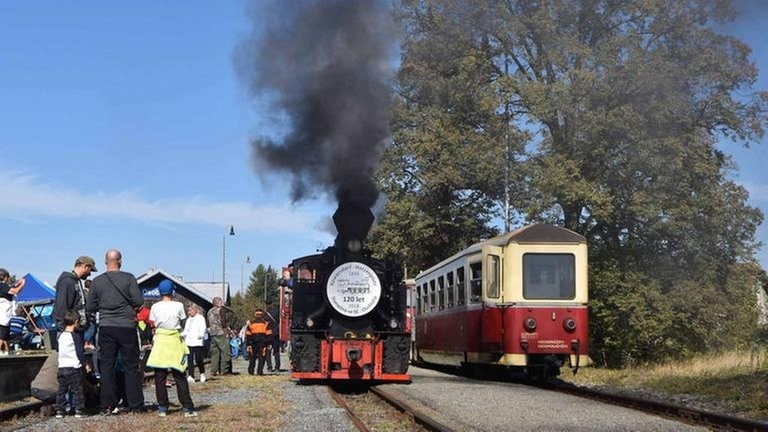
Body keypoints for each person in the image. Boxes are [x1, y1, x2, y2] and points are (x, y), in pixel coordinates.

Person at [87, 249, 144, 414]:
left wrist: (104, 306)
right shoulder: (129, 278)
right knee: (131, 366)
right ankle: (135, 404)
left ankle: (107, 404)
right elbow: (139, 301)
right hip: (126, 326)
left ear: (105, 262)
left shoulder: (97, 282)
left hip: (106, 326)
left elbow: (90, 307)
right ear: (120, 261)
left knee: (106, 366)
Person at [146, 280, 198, 417]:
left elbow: (153, 323)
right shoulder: (179, 305)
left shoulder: (155, 306)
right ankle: (187, 407)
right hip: (174, 339)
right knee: (180, 375)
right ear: (172, 292)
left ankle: (163, 407)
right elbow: (182, 319)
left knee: (160, 376)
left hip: (161, 340)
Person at [55, 310, 88, 418]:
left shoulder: (60, 336)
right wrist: (84, 365)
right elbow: (79, 352)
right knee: (77, 389)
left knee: (62, 390)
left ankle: (60, 409)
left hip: (62, 366)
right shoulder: (75, 336)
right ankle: (78, 409)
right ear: (76, 322)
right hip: (74, 366)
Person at [53, 256, 96, 334]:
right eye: (90, 270)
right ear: (85, 266)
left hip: (76, 329)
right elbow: (61, 306)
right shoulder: (67, 281)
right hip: (68, 331)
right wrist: (65, 329)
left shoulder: (76, 281)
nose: (89, 274)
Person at [0, 269, 26, 355]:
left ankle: (8, 352)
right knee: (2, 336)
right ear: (5, 277)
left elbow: (12, 289)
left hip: (6, 317)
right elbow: (15, 291)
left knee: (6, 337)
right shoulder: (2, 285)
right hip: (2, 317)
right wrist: (22, 284)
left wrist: (17, 284)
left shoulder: (3, 287)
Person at [206, 296, 231, 376]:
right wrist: (226, 331)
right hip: (221, 333)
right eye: (221, 301)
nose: (222, 302)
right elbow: (223, 321)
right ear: (218, 302)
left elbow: (208, 323)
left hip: (213, 333)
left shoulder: (209, 311)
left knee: (215, 353)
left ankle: (214, 370)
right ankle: (224, 370)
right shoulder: (221, 310)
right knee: (225, 352)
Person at [181, 304, 206, 383]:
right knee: (190, 359)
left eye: (190, 310)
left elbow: (203, 328)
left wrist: (201, 335)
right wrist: (181, 334)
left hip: (197, 341)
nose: (189, 312)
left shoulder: (200, 318)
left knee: (198, 359)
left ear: (195, 310)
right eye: (188, 311)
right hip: (189, 341)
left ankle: (202, 373)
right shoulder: (188, 320)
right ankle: (191, 375)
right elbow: (186, 330)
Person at [245, 309, 270, 376]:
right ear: (262, 315)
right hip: (262, 343)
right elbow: (269, 335)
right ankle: (259, 371)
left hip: (253, 343)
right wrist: (268, 344)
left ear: (255, 315)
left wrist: (248, 344)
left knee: (252, 358)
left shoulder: (251, 324)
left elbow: (248, 335)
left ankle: (251, 371)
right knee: (261, 358)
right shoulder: (266, 324)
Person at [265, 300, 281, 372]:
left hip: (268, 335)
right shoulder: (277, 311)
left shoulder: (265, 314)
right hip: (276, 333)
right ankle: (277, 366)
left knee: (268, 352)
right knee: (276, 351)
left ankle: (269, 367)